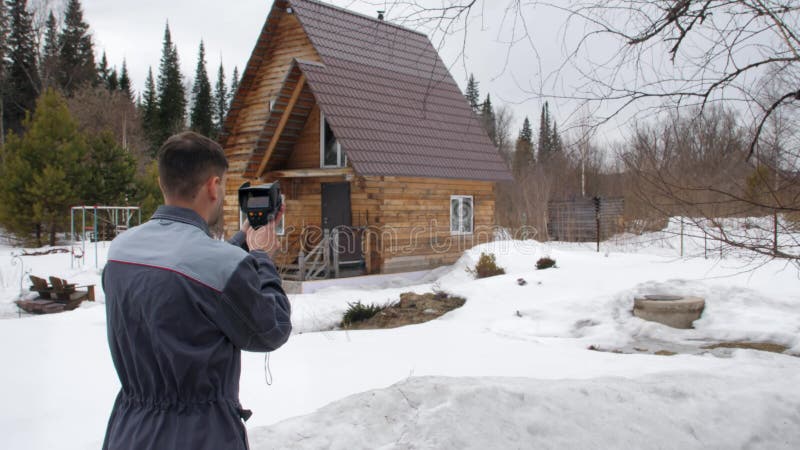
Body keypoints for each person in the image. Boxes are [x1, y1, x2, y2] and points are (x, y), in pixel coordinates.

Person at [101, 132, 291, 449]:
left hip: (129, 429)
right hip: (201, 435)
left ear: (163, 182)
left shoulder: (120, 250)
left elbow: (184, 277)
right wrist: (260, 256)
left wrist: (242, 240)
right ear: (213, 186)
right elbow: (273, 329)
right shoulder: (221, 265)